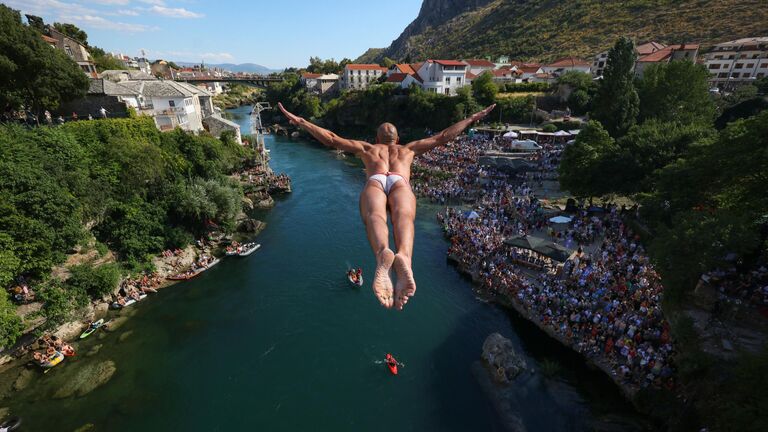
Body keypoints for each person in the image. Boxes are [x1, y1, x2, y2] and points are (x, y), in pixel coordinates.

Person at [278, 102, 495, 310]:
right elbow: (443, 137)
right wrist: (471, 118)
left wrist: (302, 121)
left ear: (377, 138)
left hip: (376, 179)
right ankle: (405, 258)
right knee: (403, 217)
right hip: (400, 180)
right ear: (397, 138)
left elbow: (332, 139)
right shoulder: (408, 149)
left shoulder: (368, 148)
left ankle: (383, 252)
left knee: (375, 216)